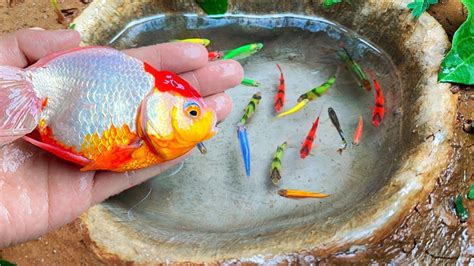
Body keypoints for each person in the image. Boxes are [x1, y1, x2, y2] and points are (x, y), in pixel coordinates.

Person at [0, 28, 243, 248]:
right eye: (192, 113)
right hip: (60, 85)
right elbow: (115, 157)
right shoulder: (140, 137)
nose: (200, 120)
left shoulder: (146, 138)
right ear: (158, 104)